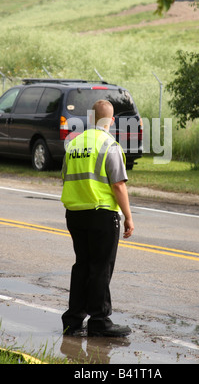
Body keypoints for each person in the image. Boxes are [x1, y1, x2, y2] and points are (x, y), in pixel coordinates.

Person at [61, 99, 134, 337]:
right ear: (111, 121)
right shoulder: (109, 145)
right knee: (101, 268)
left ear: (90, 119)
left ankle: (73, 320)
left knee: (82, 266)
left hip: (75, 214)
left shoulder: (74, 144)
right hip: (102, 214)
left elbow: (65, 177)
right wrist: (129, 218)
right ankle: (99, 321)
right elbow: (119, 186)